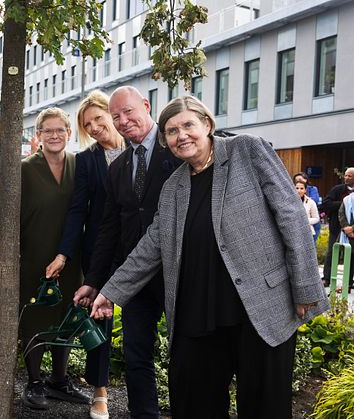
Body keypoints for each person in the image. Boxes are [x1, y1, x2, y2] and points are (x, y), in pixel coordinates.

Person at [91, 96, 329, 417]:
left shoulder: (248, 150)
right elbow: (152, 245)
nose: (181, 136)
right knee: (193, 400)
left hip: (259, 307)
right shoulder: (174, 186)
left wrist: (305, 287)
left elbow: (291, 215)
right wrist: (111, 292)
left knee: (264, 407)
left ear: (207, 124)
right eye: (172, 131)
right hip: (199, 312)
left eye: (188, 125)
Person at [77, 86, 180, 418]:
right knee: (136, 356)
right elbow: (110, 228)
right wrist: (94, 280)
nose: (122, 121)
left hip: (178, 270)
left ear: (147, 106)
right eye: (116, 116)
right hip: (134, 276)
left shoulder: (175, 150)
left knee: (187, 353)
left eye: (128, 112)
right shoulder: (118, 166)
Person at [44, 90, 124, 419]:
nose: (93, 126)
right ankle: (100, 392)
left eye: (97, 118)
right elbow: (78, 210)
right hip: (100, 250)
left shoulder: (140, 148)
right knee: (101, 320)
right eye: (86, 123)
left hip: (144, 247)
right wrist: (64, 253)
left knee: (142, 320)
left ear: (112, 114)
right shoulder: (88, 160)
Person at [19, 107, 88, 410]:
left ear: (69, 133)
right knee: (35, 317)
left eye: (60, 129)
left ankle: (59, 380)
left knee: (66, 315)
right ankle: (35, 381)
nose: (55, 135)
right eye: (48, 130)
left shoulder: (79, 164)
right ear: (39, 135)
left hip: (72, 255)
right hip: (35, 254)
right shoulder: (25, 169)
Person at [320, 168, 354, 285]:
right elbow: (325, 204)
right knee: (332, 252)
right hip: (336, 227)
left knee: (351, 255)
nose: (346, 178)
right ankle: (327, 278)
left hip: (352, 230)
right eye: (345, 175)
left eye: (349, 176)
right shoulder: (337, 190)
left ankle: (349, 282)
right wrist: (344, 203)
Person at [294, 172, 322, 242]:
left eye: (301, 188)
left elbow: (315, 200)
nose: (299, 190)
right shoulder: (288, 200)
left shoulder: (311, 199)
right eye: (296, 188)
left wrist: (304, 220)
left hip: (309, 229)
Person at [336, 192, 354, 291]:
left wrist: (352, 229)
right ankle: (347, 284)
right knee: (349, 260)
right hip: (348, 235)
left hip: (351, 232)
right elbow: (341, 214)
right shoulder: (347, 199)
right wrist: (347, 229)